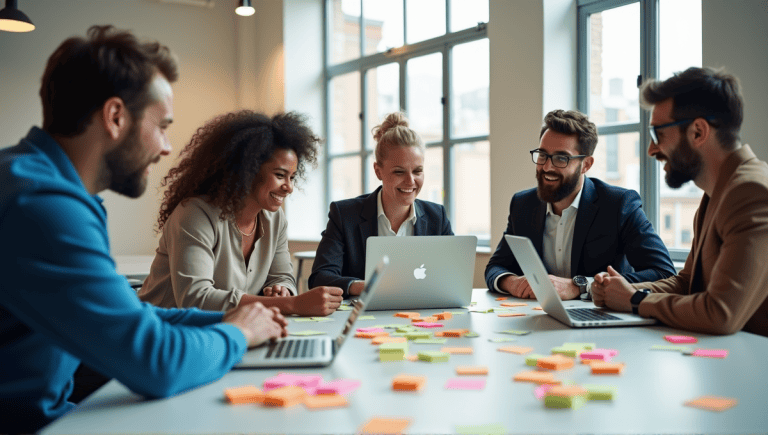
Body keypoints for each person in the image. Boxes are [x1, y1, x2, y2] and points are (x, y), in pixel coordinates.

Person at [0, 26, 287, 434]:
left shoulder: (33, 181)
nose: (167, 147)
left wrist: (233, 318)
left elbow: (134, 315)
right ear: (115, 117)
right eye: (163, 125)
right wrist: (238, 334)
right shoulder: (42, 205)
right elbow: (158, 363)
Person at [592, 67, 768, 337]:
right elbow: (688, 282)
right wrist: (621, 291)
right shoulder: (718, 191)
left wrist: (634, 301)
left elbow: (721, 313)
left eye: (657, 135)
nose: (651, 150)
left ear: (698, 132)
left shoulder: (751, 192)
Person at [138, 111, 343, 316]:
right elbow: (195, 298)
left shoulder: (275, 219)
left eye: (292, 177)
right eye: (280, 175)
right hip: (162, 332)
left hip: (226, 329)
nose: (288, 187)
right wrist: (291, 304)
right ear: (248, 169)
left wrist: (282, 290)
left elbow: (281, 276)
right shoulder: (194, 214)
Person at [485, 110, 676, 301]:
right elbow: (495, 267)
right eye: (542, 155)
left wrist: (580, 286)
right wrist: (513, 282)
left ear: (586, 165)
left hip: (600, 320)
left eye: (561, 158)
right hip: (537, 317)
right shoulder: (523, 204)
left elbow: (663, 272)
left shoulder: (618, 204)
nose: (547, 167)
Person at [309, 112, 453, 297]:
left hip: (419, 316)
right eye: (399, 172)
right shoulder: (344, 215)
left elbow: (452, 277)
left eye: (417, 171)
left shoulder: (437, 216)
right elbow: (320, 278)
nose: (410, 181)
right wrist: (366, 286)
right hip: (364, 319)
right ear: (378, 171)